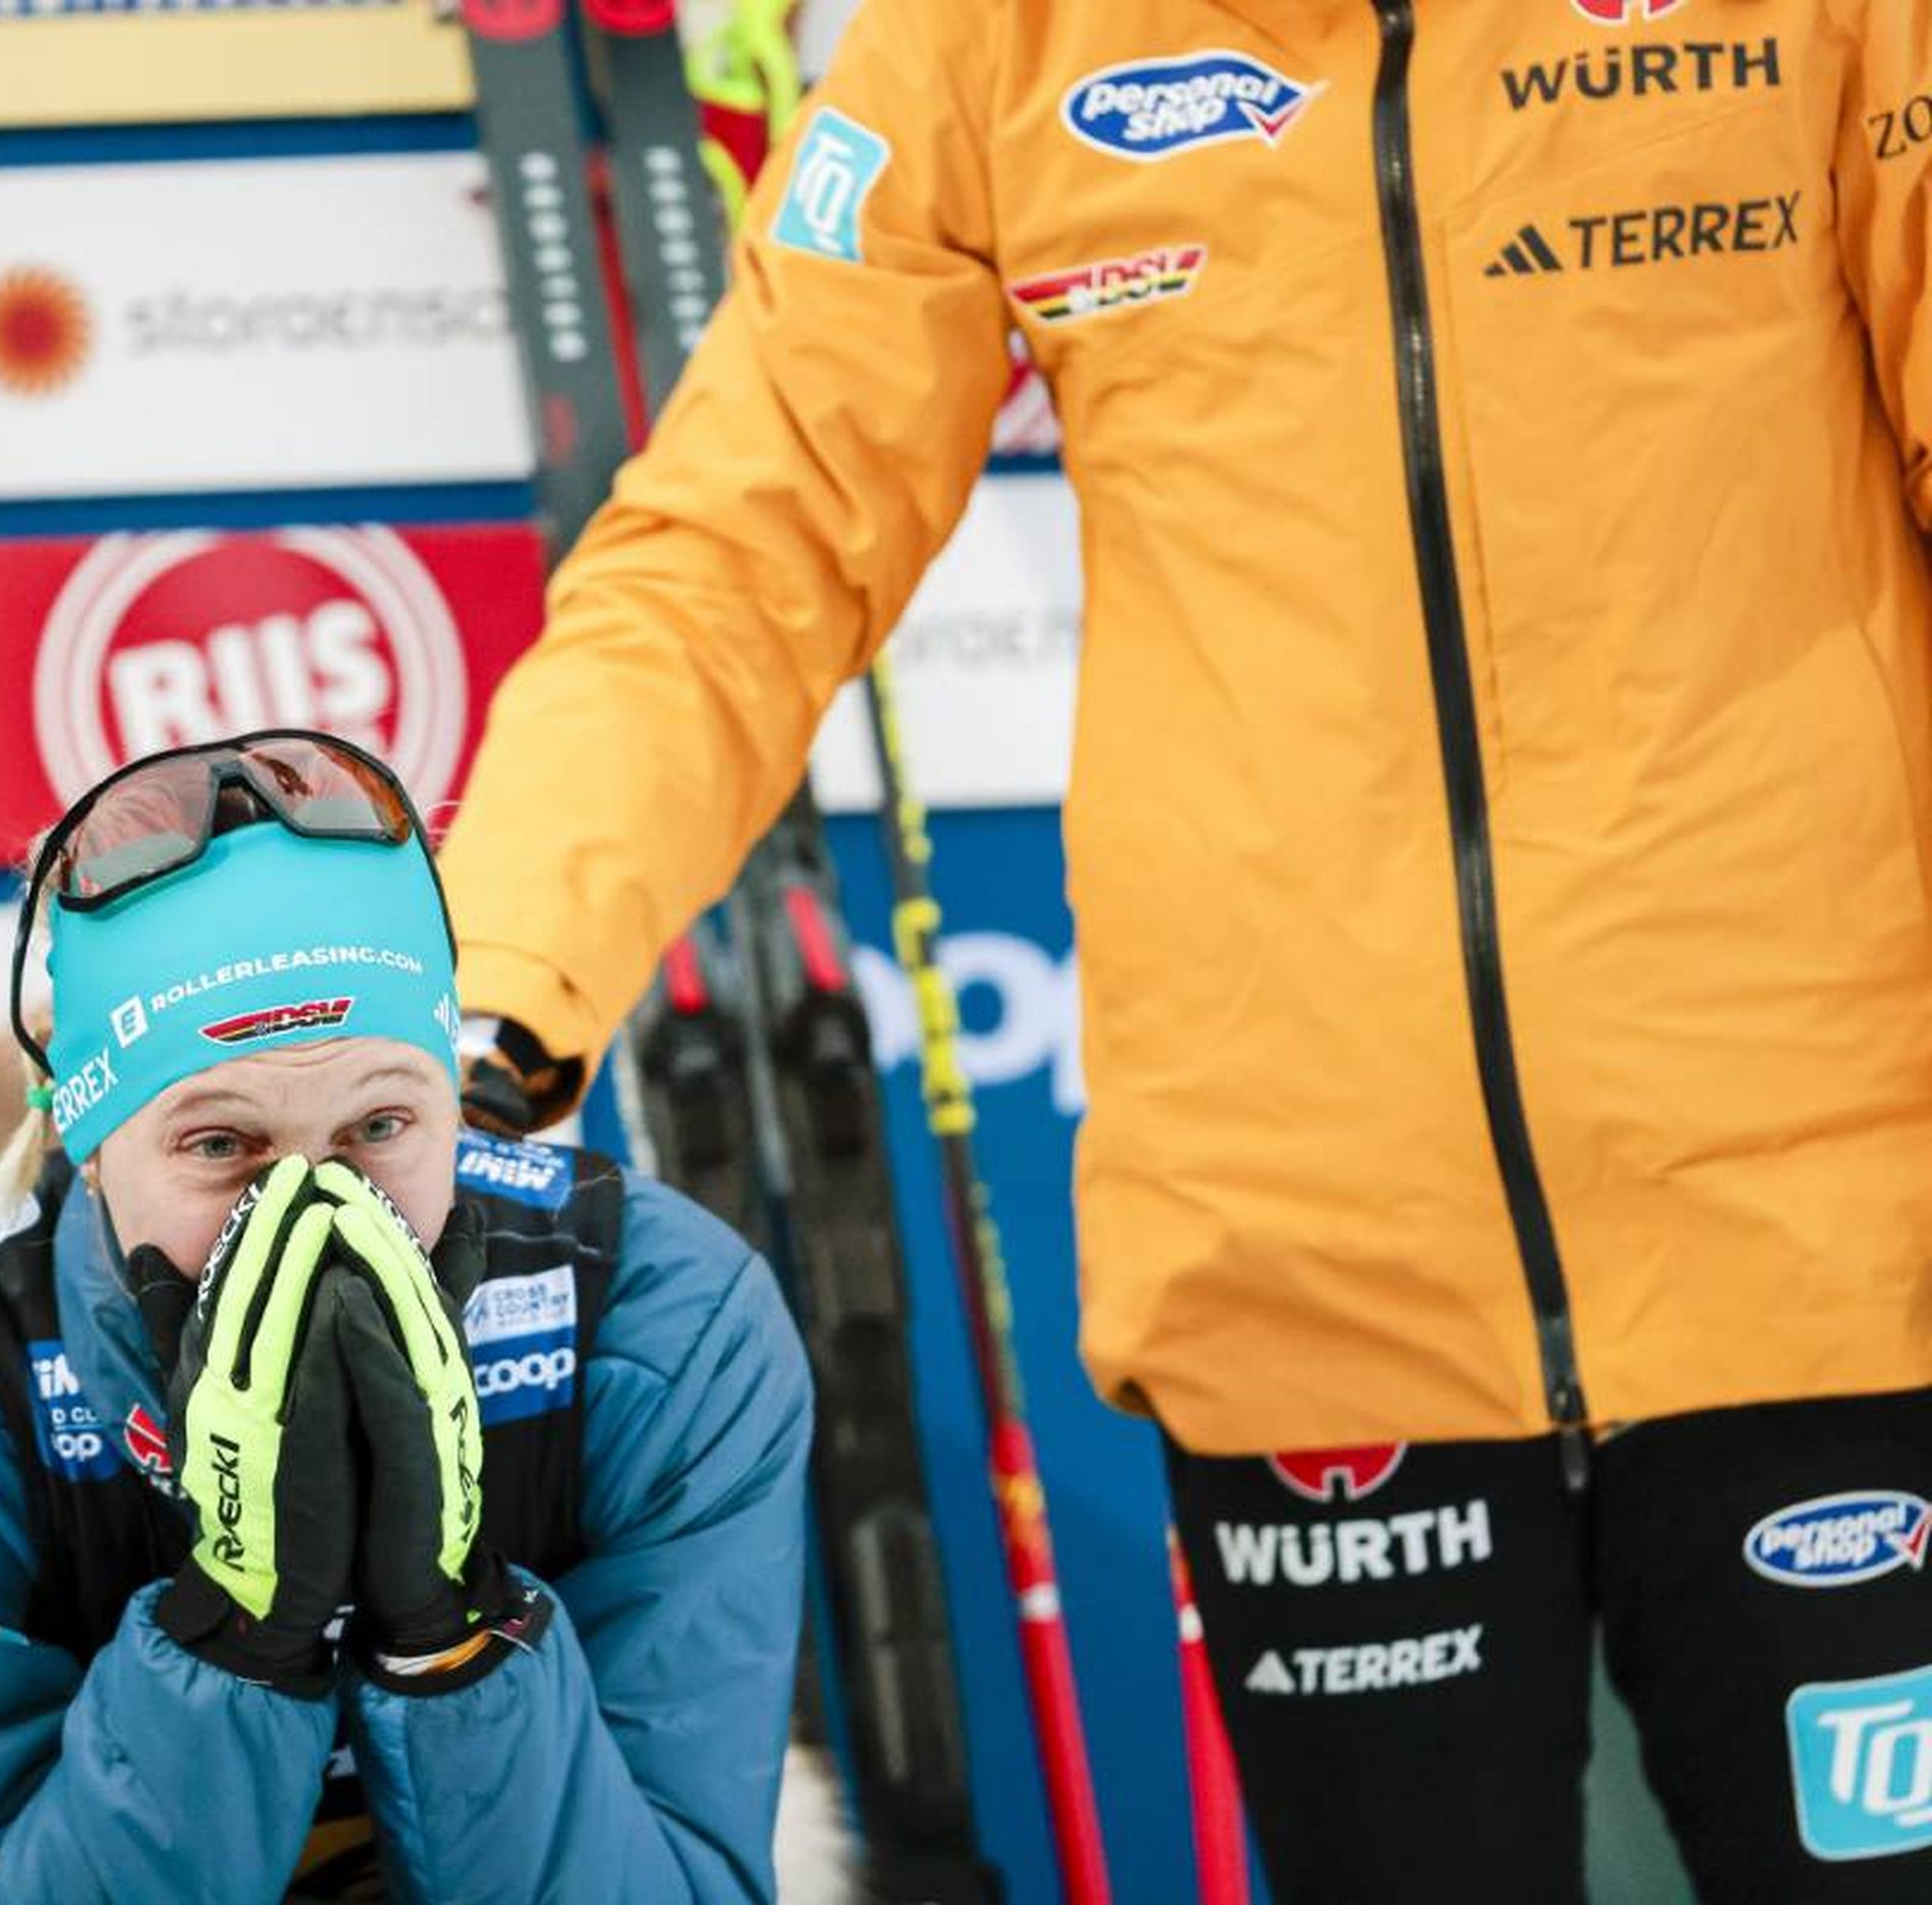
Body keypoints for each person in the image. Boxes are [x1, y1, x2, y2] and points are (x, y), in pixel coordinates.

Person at [434, 3, 1932, 1898]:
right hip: (1317, 1283)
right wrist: (493, 981)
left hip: (1836, 1239)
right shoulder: (997, 39)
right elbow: (741, 545)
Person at [0, 731, 814, 1902]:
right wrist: (234, 1638)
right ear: (86, 1137)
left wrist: (457, 1641)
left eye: (379, 1128)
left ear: (450, 1102)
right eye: (222, 1144)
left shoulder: (655, 1323)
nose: (313, 1207)